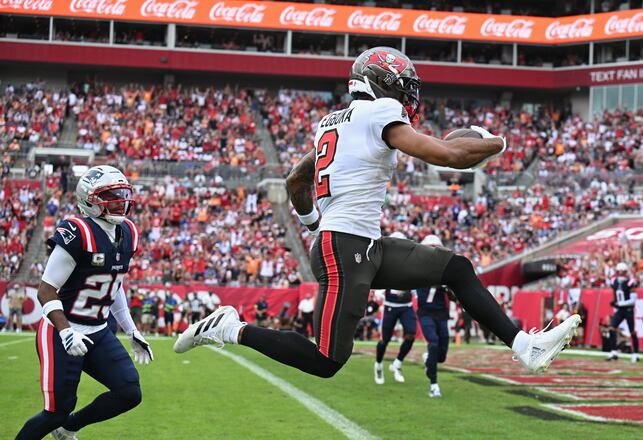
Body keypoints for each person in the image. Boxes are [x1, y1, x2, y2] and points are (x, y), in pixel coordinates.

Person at [173, 46, 580, 379]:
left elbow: (297, 178)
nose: (407, 98)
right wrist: (498, 143)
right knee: (326, 361)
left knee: (455, 269)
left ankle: (526, 347)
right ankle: (230, 327)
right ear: (381, 83)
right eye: (403, 89)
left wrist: (314, 225)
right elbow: (450, 156)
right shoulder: (378, 112)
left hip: (361, 245)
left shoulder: (330, 123)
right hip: (346, 247)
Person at [16, 165, 153, 440]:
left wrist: (131, 329)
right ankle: (59, 423)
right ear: (89, 200)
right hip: (61, 330)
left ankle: (68, 429)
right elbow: (45, 290)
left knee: (129, 391)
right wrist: (66, 332)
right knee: (57, 410)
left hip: (98, 330)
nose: (120, 201)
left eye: (122, 194)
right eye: (111, 195)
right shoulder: (77, 231)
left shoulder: (129, 232)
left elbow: (114, 285)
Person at [374, 231, 418, 385]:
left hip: (406, 305)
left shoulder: (410, 261)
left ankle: (397, 363)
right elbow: (376, 278)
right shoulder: (384, 260)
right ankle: (378, 365)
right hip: (391, 305)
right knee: (384, 339)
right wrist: (379, 293)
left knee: (411, 334)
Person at [416, 235, 453, 398]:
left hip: (441, 314)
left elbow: (454, 296)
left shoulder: (445, 271)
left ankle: (429, 361)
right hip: (426, 313)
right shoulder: (417, 269)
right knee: (433, 344)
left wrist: (449, 288)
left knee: (441, 355)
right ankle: (434, 385)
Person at [607, 263, 640, 363]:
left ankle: (636, 354)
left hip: (628, 309)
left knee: (632, 331)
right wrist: (616, 304)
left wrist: (620, 303)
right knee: (612, 328)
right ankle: (614, 352)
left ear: (626, 272)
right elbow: (616, 295)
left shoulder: (630, 282)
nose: (621, 274)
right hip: (620, 310)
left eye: (623, 272)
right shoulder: (614, 281)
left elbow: (633, 299)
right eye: (619, 272)